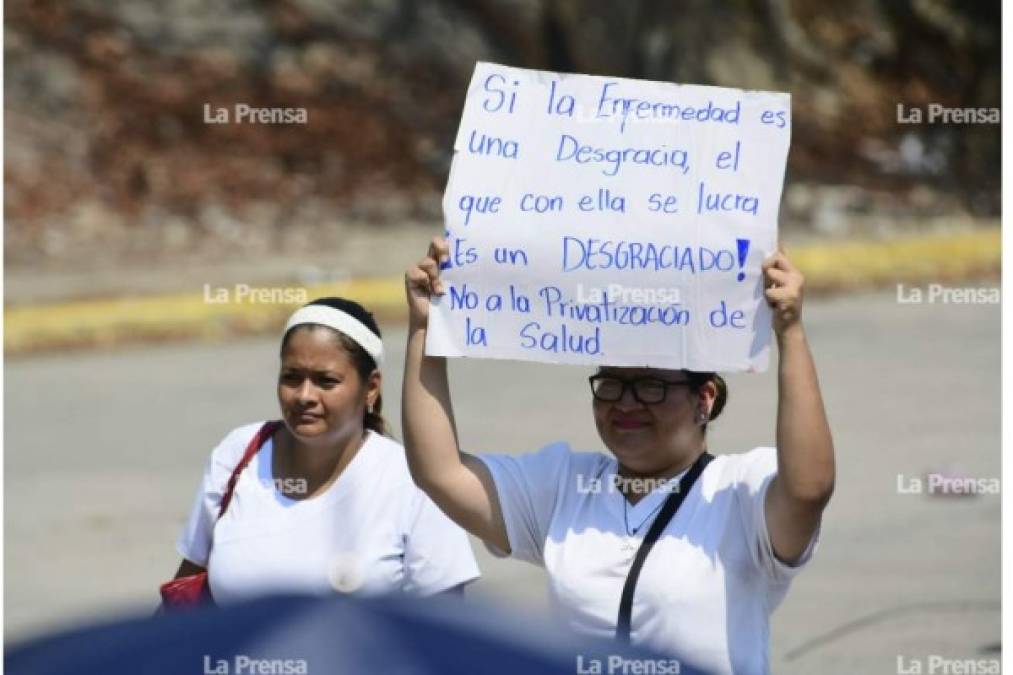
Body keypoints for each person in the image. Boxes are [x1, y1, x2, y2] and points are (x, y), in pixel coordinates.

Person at [402, 238, 835, 675]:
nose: (626, 404)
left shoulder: (738, 490)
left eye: (651, 387)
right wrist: (424, 329)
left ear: (704, 399)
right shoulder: (564, 485)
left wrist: (791, 334)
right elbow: (442, 472)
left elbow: (809, 487)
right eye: (610, 384)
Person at [170, 297, 480, 605]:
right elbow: (186, 589)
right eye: (291, 377)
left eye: (325, 381)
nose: (304, 395)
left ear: (371, 387)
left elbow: (446, 625)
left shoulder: (415, 480)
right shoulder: (239, 452)